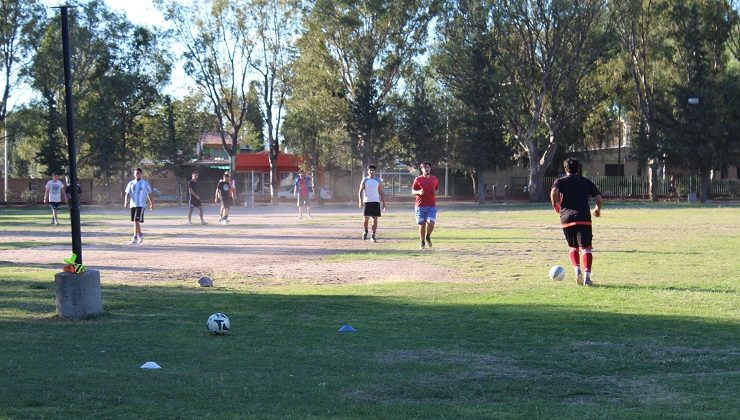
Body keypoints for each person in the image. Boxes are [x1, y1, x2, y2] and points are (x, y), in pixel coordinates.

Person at [550, 157, 603, 286]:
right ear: (578, 169)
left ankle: (577, 270)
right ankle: (587, 276)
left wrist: (556, 205)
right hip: (583, 217)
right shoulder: (586, 181)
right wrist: (597, 209)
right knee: (586, 249)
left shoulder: (560, 181)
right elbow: (598, 197)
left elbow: (554, 192)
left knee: (573, 247)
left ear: (565, 169)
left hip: (566, 218)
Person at [412, 161, 439, 250]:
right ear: (422, 169)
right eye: (425, 167)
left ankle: (428, 236)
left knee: (431, 223)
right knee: (422, 225)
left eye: (428, 167)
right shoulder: (418, 179)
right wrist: (419, 192)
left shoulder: (434, 179)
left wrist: (436, 192)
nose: (427, 169)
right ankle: (422, 242)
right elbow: (413, 191)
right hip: (420, 206)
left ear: (430, 169)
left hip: (431, 206)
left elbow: (437, 189)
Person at [124, 167, 154, 244]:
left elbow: (149, 194)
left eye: (139, 173)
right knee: (135, 221)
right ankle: (137, 236)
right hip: (133, 205)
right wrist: (126, 202)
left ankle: (137, 236)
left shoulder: (145, 183)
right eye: (136, 173)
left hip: (141, 205)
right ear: (134, 174)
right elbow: (127, 193)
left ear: (141, 174)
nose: (137, 175)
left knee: (136, 220)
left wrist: (151, 203)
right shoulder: (131, 183)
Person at [358, 165, 387, 242]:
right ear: (368, 171)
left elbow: (381, 192)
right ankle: (365, 230)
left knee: (375, 219)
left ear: (375, 171)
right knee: (366, 219)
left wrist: (384, 203)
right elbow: (360, 191)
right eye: (370, 170)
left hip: (376, 202)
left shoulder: (378, 180)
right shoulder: (364, 180)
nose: (371, 171)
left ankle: (373, 235)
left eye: (372, 170)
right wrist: (360, 201)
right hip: (367, 202)